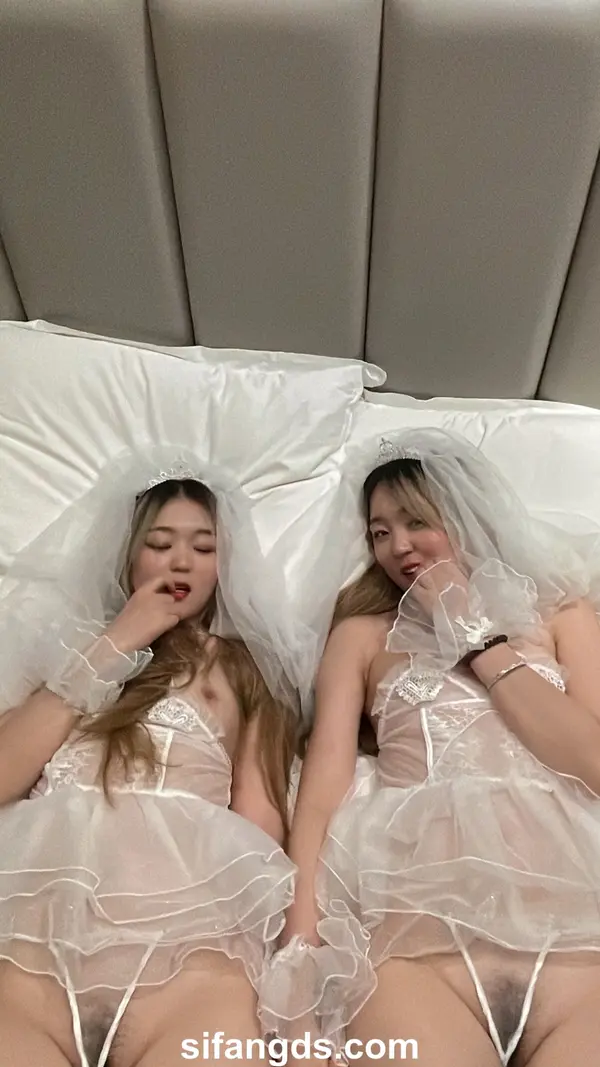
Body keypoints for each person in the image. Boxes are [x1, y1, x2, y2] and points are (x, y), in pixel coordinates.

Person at [260, 427, 600, 1067]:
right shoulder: (363, 635)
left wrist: (475, 636)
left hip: (578, 932)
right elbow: (321, 790)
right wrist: (299, 945)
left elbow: (594, 763)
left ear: (468, 515)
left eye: (417, 522)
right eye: (379, 532)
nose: (398, 547)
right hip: (418, 939)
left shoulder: (561, 615)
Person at [0, 453, 297, 1067]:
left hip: (187, 962)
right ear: (129, 555)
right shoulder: (66, 648)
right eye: (160, 544)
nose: (181, 562)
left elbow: (260, 821)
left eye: (203, 548)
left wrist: (282, 966)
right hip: (33, 953)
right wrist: (116, 643)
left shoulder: (243, 667)